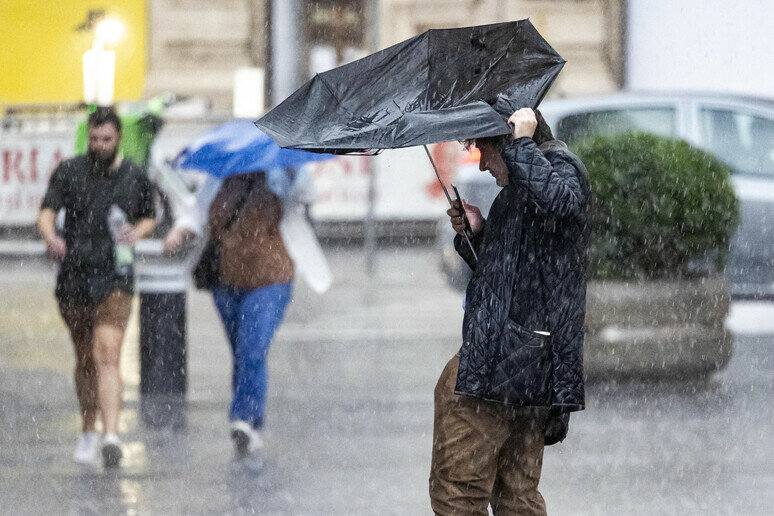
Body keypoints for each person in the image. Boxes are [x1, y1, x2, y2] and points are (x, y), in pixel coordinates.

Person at [430, 108, 591, 515]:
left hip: (502, 368)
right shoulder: (519, 193)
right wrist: (477, 233)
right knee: (516, 498)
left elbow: (563, 205)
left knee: (458, 497)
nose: (482, 164)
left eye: (485, 149)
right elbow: (515, 276)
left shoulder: (560, 170)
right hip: (519, 368)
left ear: (511, 140)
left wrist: (521, 143)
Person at [163, 166, 330, 465]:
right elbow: (196, 212)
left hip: (272, 279)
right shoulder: (219, 177)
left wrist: (291, 174)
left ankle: (242, 418)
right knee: (242, 352)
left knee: (253, 348)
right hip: (226, 280)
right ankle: (251, 420)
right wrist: (180, 229)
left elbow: (305, 194)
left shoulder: (284, 173)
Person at [37, 107, 156, 468]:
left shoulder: (134, 175)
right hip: (75, 278)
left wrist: (140, 231)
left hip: (115, 278)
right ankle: (88, 429)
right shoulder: (70, 171)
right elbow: (46, 211)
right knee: (85, 358)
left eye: (106, 139)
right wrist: (49, 237)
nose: (99, 145)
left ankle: (111, 435)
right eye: (94, 139)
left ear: (118, 137)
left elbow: (150, 215)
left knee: (107, 353)